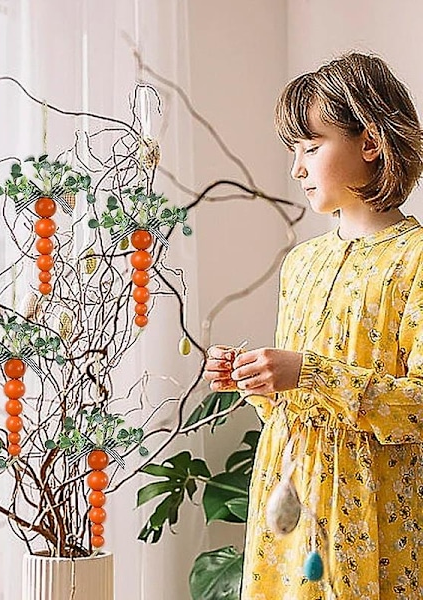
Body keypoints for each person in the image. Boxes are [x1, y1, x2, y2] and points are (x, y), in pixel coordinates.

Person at [203, 52, 423, 599]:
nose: (296, 168)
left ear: (370, 143)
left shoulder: (415, 260)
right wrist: (253, 379)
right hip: (287, 499)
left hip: (372, 511)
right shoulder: (302, 263)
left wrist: (310, 373)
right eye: (292, 152)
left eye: (311, 147)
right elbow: (288, 403)